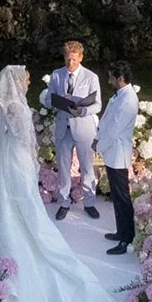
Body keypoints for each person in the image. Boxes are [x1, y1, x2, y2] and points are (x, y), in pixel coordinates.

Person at [0, 65, 122, 302]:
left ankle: (22, 240)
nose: (27, 80)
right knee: (26, 208)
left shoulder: (9, 105)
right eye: (25, 77)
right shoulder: (15, 106)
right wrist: (32, 157)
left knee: (20, 209)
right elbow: (25, 140)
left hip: (15, 162)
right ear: (17, 81)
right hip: (19, 163)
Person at [47, 39, 101, 220]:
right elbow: (48, 100)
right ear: (64, 57)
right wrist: (57, 100)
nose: (70, 63)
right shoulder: (56, 75)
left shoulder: (91, 77)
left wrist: (84, 110)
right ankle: (64, 202)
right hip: (63, 126)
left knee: (87, 167)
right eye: (68, 59)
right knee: (63, 167)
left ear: (81, 58)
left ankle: (90, 203)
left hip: (83, 128)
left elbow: (98, 105)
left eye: (74, 60)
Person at [95, 61, 139, 255]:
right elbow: (106, 119)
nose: (109, 80)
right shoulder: (120, 95)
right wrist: (97, 137)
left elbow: (115, 129)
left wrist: (99, 145)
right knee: (117, 195)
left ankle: (126, 238)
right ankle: (121, 231)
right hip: (112, 151)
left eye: (111, 77)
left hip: (118, 152)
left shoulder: (129, 99)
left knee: (122, 197)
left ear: (120, 78)